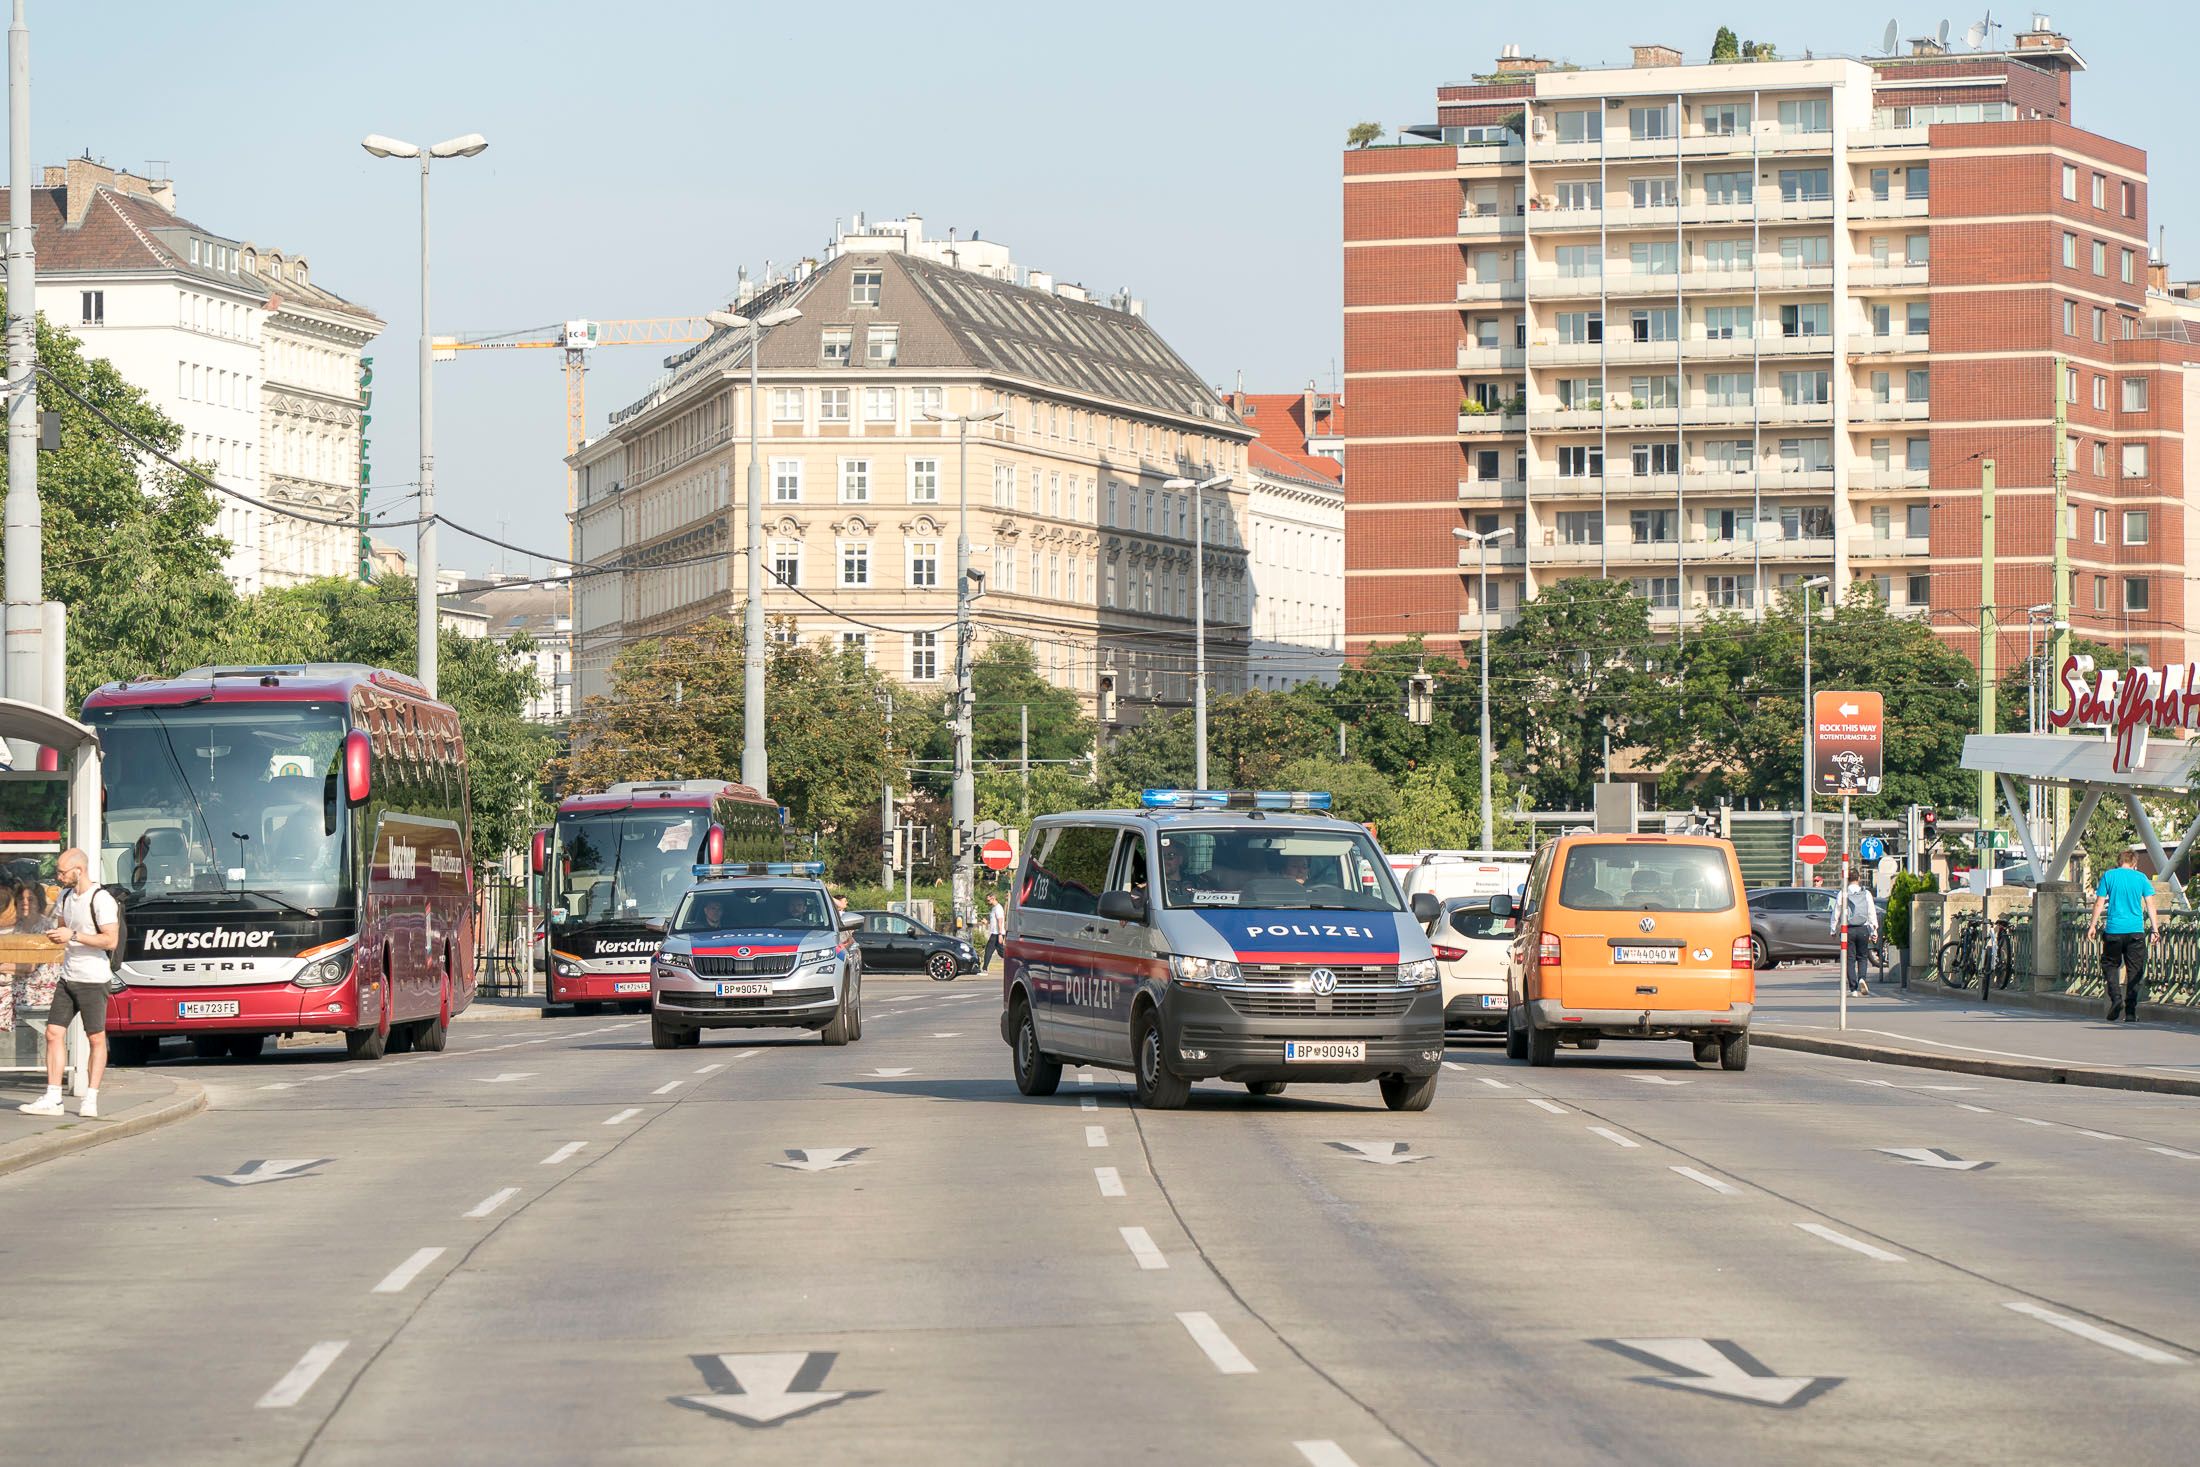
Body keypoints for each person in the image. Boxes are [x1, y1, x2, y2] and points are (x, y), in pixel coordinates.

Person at [17, 849, 119, 1120]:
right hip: (68, 976)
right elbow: (64, 931)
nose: (59, 876)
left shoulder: (101, 899)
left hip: (93, 978)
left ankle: (91, 1097)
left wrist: (73, 934)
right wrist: (56, 936)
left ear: (79, 870)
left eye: (63, 872)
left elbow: (110, 940)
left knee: (95, 1038)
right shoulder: (64, 896)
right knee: (53, 1033)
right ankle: (53, 1097)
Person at [2088, 849, 2159, 1023]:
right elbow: (2150, 904)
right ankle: (2130, 1012)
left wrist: (2093, 925)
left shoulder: (2109, 876)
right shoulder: (2141, 878)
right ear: (2134, 863)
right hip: (2135, 931)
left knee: (2110, 964)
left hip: (2114, 930)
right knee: (2135, 970)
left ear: (2119, 861)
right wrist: (2155, 929)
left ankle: (2116, 998)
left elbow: (2099, 903)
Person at [1830, 866, 1879, 998]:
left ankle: (1853, 989)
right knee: (1862, 957)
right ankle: (1862, 978)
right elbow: (1871, 912)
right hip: (1863, 928)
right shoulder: (1866, 893)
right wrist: (1874, 930)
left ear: (1847, 879)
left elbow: (1836, 912)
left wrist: (1833, 929)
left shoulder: (1843, 893)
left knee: (1849, 959)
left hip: (1847, 929)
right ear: (1859, 878)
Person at [983, 895, 1006, 969]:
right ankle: (1013, 960)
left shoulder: (998, 908)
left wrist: (1000, 934)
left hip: (997, 934)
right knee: (1001, 952)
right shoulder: (994, 908)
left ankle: (984, 969)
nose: (988, 902)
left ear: (993, 898)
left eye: (989, 900)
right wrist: (987, 922)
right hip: (995, 933)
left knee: (988, 950)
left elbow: (1000, 920)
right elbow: (994, 921)